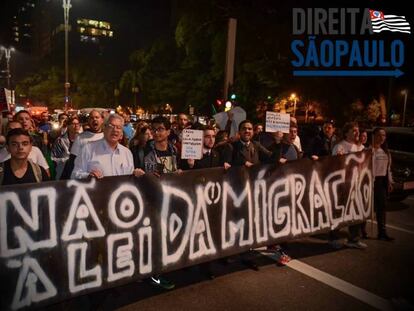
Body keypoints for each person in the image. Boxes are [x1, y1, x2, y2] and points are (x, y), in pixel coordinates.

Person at [143, 116, 177, 290]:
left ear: (168, 132)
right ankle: (154, 275)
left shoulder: (175, 150)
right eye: (154, 129)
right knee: (154, 239)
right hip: (152, 202)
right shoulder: (144, 151)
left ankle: (163, 269)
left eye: (161, 129)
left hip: (171, 201)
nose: (156, 132)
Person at [71, 114, 144, 179]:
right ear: (104, 128)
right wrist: (88, 176)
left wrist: (135, 174)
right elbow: (74, 175)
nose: (115, 130)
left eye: (118, 127)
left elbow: (129, 180)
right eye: (111, 126)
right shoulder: (88, 149)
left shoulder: (127, 153)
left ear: (121, 133)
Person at [330, 122, 367, 249]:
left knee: (356, 212)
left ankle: (354, 239)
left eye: (357, 130)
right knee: (339, 212)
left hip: (357, 185)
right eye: (354, 130)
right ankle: (334, 238)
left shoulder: (360, 148)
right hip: (342, 185)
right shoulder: (339, 147)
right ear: (346, 133)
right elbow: (333, 167)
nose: (357, 133)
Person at [61, 110, 104, 179]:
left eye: (97, 117)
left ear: (102, 120)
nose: (94, 119)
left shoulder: (107, 137)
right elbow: (73, 161)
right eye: (92, 118)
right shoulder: (80, 138)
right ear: (88, 121)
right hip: (86, 179)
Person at [372, 128, 395, 241]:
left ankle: (382, 233)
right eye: (379, 135)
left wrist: (390, 181)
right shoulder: (369, 150)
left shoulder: (386, 151)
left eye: (384, 135)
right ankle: (361, 231)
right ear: (374, 136)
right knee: (369, 208)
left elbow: (388, 168)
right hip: (371, 181)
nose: (382, 138)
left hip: (382, 182)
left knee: (382, 207)